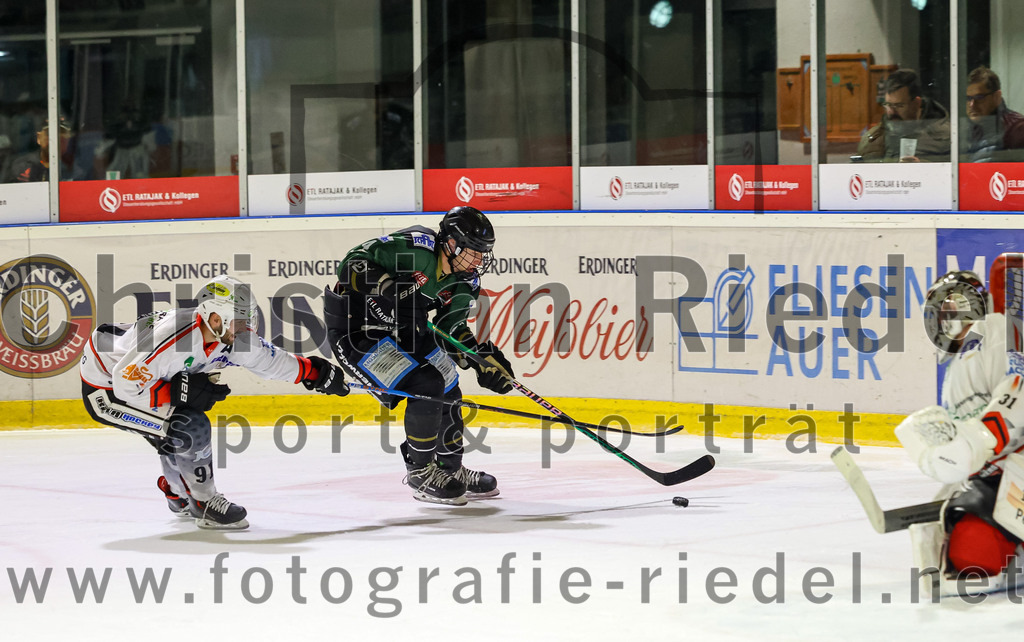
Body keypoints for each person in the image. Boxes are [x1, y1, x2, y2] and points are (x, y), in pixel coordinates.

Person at [79, 275, 350, 530]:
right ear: (215, 318)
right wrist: (177, 394)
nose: (246, 328)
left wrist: (316, 374)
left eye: (248, 320)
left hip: (135, 380)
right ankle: (203, 503)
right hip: (107, 389)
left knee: (175, 424)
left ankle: (178, 493)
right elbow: (127, 384)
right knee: (188, 425)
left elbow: (270, 362)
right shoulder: (174, 339)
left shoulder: (231, 336)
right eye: (239, 321)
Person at [322, 205, 514, 506]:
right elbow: (351, 265)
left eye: (482, 254)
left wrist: (481, 359)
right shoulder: (416, 249)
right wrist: (387, 287)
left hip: (406, 330)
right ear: (450, 243)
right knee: (426, 384)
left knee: (449, 383)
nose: (478, 260)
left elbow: (451, 329)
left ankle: (450, 469)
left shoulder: (465, 282)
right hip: (357, 330)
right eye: (472, 251)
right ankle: (421, 473)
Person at [895, 270, 1024, 596]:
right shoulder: (957, 369)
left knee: (974, 552)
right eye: (945, 310)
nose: (952, 317)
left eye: (959, 304)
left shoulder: (997, 331)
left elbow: (1018, 394)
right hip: (1000, 473)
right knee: (965, 555)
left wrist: (980, 441)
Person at [857, 69, 950, 162]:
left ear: (917, 103)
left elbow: (957, 170)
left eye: (899, 105)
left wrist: (923, 167)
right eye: (888, 104)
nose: (891, 112)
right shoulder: (872, 138)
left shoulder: (945, 137)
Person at [963, 66, 1024, 162]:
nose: (972, 105)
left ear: (997, 97)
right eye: (968, 98)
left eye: (979, 97)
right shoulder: (971, 128)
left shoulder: (1017, 128)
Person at [13, 116, 72, 182]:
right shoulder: (22, 166)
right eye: (48, 133)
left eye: (61, 134)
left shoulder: (77, 166)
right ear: (39, 138)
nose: (55, 138)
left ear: (69, 140)